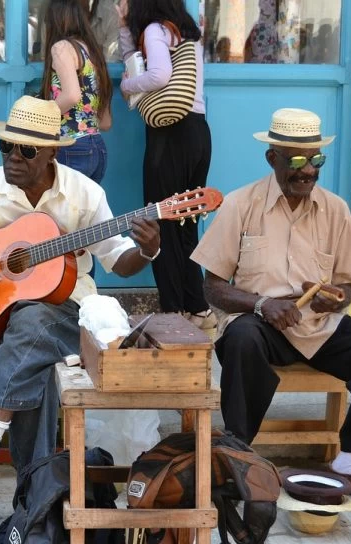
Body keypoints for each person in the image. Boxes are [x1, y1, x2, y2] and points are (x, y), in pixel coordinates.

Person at [0, 96, 162, 495]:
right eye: (6, 146)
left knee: (34, 319)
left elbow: (117, 259)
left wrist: (146, 250)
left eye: (26, 151)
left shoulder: (84, 194)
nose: (13, 158)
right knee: (33, 368)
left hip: (66, 316)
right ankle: (36, 496)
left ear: (50, 155)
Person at [191, 108, 351, 507]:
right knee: (240, 337)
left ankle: (350, 464)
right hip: (263, 327)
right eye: (295, 160)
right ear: (271, 158)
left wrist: (337, 297)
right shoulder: (241, 204)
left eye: (315, 160)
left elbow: (347, 286)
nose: (307, 170)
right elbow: (213, 288)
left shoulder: (335, 210)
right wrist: (262, 304)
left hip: (319, 329)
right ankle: (239, 457)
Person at [116, 0, 215, 331]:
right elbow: (137, 59)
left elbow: (157, 75)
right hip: (199, 132)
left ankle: (174, 311)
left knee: (162, 222)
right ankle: (198, 308)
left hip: (170, 135)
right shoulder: (186, 35)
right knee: (186, 222)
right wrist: (124, 25)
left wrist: (127, 86)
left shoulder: (156, 31)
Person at [40, 0, 113, 184]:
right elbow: (105, 122)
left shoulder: (62, 47)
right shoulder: (93, 52)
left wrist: (39, 115)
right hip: (97, 146)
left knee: (62, 211)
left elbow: (72, 95)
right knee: (86, 212)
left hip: (71, 145)